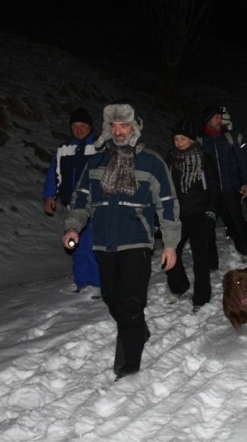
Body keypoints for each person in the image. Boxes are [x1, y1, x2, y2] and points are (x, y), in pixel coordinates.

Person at [63, 102, 181, 379]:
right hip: (104, 242)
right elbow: (81, 199)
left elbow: (167, 203)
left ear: (134, 128)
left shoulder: (151, 162)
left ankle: (128, 365)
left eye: (124, 126)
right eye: (113, 126)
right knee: (111, 296)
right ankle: (137, 328)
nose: (118, 132)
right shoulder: (96, 162)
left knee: (131, 301)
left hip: (136, 241)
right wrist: (72, 227)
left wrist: (170, 243)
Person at [42, 107, 101, 297]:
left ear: (90, 127)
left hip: (94, 207)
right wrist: (49, 196)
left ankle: (98, 283)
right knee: (75, 246)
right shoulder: (64, 149)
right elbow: (54, 175)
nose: (78, 129)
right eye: (74, 126)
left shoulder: (99, 147)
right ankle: (81, 282)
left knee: (94, 247)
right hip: (71, 207)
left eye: (82, 125)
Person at [164, 118, 220, 313]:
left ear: (192, 139)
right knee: (172, 252)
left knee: (200, 258)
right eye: (176, 139)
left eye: (183, 139)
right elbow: (163, 187)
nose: (179, 143)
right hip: (177, 214)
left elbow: (213, 187)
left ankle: (201, 297)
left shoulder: (204, 158)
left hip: (199, 213)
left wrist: (211, 211)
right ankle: (178, 285)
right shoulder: (170, 158)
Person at [201, 106, 247, 263]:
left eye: (220, 117)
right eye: (216, 118)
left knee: (236, 221)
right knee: (207, 226)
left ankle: (244, 250)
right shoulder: (200, 141)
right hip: (210, 192)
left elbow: (241, 161)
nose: (220, 121)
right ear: (208, 120)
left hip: (230, 188)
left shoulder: (229, 137)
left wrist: (245, 182)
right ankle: (210, 261)